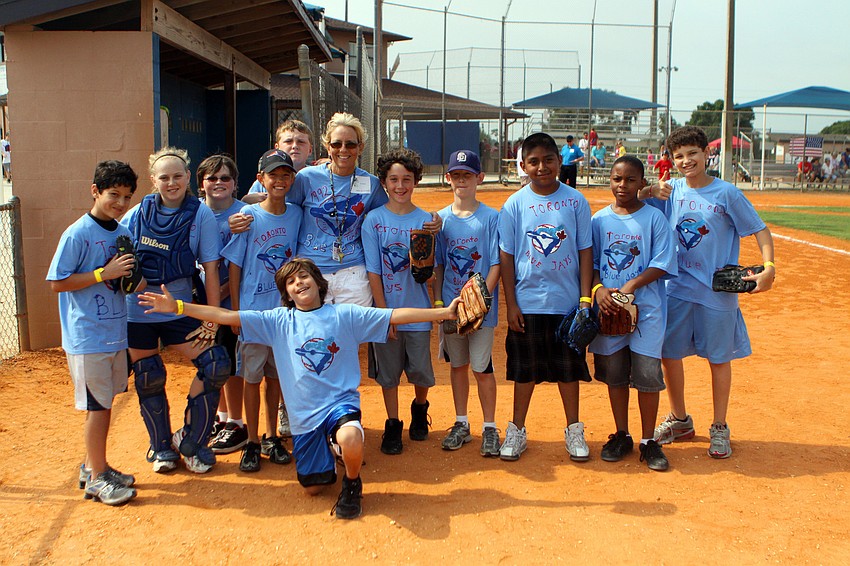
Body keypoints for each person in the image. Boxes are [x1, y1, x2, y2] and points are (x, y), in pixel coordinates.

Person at [138, 258, 460, 519]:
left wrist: (442, 312)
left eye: (304, 276)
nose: (299, 283)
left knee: (350, 436)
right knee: (312, 488)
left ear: (318, 283)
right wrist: (179, 307)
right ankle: (333, 451)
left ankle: (352, 481)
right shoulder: (279, 321)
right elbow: (225, 314)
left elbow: (394, 314)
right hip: (305, 418)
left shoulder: (343, 314)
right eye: (291, 282)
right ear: (287, 293)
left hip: (340, 405)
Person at [642, 125, 775, 459]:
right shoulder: (669, 190)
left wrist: (769, 266)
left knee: (719, 358)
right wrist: (647, 192)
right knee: (668, 354)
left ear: (706, 154)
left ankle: (719, 426)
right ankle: (680, 419)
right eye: (679, 156)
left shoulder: (726, 193)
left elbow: (759, 230)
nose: (686, 161)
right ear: (671, 161)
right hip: (677, 287)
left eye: (692, 154)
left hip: (717, 290)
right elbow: (638, 197)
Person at [122, 146, 229, 475]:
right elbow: (118, 250)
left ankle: (191, 441)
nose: (171, 183)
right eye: (164, 177)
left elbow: (211, 269)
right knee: (149, 376)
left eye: (178, 176)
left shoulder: (201, 215)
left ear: (188, 177)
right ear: (153, 180)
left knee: (215, 365)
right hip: (138, 311)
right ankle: (160, 447)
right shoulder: (138, 213)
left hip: (179, 307)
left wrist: (210, 319)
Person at [47, 160, 142, 505]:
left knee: (105, 404)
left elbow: (127, 280)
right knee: (98, 407)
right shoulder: (77, 233)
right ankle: (97, 478)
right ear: (95, 191)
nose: (119, 203)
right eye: (113, 195)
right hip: (87, 336)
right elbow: (58, 282)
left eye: (126, 197)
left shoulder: (122, 233)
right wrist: (104, 273)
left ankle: (94, 466)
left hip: (114, 330)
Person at [498, 132, 593, 462]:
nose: (542, 167)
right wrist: (511, 304)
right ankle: (517, 429)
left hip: (566, 303)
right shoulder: (514, 204)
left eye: (548, 160)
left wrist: (584, 301)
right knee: (525, 371)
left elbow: (584, 251)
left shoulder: (576, 201)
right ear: (522, 166)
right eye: (534, 162)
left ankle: (573, 429)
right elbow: (507, 256)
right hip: (528, 301)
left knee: (568, 370)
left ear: (559, 161)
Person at [589, 155, 677, 472]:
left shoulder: (654, 219)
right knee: (614, 373)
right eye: (616, 179)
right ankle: (622, 433)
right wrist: (599, 290)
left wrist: (633, 283)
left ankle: (648, 440)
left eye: (629, 180)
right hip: (609, 309)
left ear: (643, 183)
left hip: (647, 311)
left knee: (647, 375)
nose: (622, 185)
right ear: (609, 181)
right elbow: (592, 265)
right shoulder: (599, 221)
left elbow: (664, 262)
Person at [222, 149, 301, 471]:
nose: (279, 181)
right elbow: (235, 267)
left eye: (285, 175)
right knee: (252, 378)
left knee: (276, 378)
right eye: (273, 175)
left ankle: (272, 437)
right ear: (261, 179)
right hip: (255, 313)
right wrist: (238, 313)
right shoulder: (249, 217)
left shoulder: (297, 213)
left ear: (293, 179)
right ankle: (252, 441)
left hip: (284, 314)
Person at [362, 148, 435, 455]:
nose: (400, 185)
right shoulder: (374, 221)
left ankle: (420, 407)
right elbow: (374, 270)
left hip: (417, 309)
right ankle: (393, 423)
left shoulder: (427, 221)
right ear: (384, 183)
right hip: (388, 310)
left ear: (416, 181)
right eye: (393, 179)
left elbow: (432, 271)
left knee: (420, 370)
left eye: (407, 179)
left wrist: (426, 266)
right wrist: (382, 314)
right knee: (389, 373)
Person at [434, 150, 502, 456]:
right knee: (458, 366)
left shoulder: (490, 218)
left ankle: (490, 426)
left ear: (479, 179)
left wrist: (482, 301)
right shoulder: (440, 220)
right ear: (448, 178)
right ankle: (461, 422)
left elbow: (497, 264)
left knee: (481, 367)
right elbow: (437, 265)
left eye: (468, 175)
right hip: (452, 305)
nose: (462, 181)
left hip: (481, 311)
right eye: (456, 175)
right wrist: (439, 302)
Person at [197, 154, 250, 456]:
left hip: (229, 303)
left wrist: (217, 297)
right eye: (212, 178)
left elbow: (238, 267)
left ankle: (237, 422)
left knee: (231, 363)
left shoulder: (245, 214)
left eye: (225, 178)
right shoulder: (195, 214)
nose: (218, 183)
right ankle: (220, 417)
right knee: (210, 362)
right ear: (201, 183)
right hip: (202, 303)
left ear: (235, 183)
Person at [244, 120, 315, 204]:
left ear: (310, 150)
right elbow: (247, 207)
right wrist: (246, 200)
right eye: (288, 141)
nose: (295, 146)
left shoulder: (317, 177)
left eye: (301, 142)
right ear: (277, 148)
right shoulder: (266, 179)